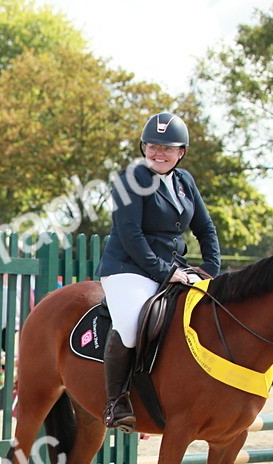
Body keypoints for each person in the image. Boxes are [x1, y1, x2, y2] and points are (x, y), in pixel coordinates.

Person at [96, 112, 221, 433]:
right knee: (130, 321)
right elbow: (131, 235)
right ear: (143, 148)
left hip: (172, 268)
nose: (158, 154)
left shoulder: (184, 181)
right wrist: (166, 272)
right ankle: (116, 401)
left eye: (167, 148)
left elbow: (205, 228)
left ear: (181, 152)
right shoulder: (131, 179)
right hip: (128, 268)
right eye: (152, 146)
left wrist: (211, 269)